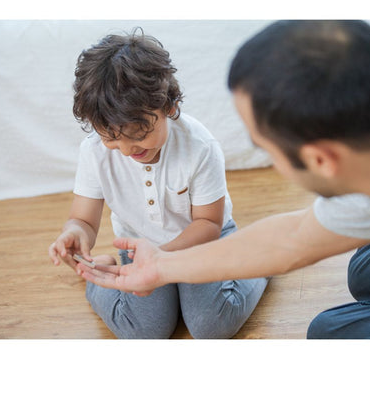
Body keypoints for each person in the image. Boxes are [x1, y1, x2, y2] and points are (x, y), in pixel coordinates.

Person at [77, 20, 370, 339]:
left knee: (331, 332)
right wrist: (160, 267)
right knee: (366, 268)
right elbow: (294, 239)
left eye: (266, 149)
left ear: (321, 159)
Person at [48, 31, 268, 339]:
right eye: (112, 138)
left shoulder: (199, 146)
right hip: (139, 249)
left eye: (138, 134)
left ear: (169, 105)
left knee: (210, 326)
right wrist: (75, 232)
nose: (126, 149)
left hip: (201, 241)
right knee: (146, 332)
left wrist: (164, 258)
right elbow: (83, 219)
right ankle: (97, 278)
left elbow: (208, 223)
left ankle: (258, 262)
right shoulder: (94, 152)